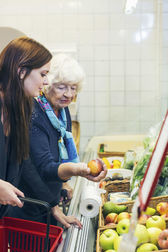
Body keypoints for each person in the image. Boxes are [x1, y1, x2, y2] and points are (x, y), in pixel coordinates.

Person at [0, 36, 52, 245]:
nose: (46, 81)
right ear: (21, 70)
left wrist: (53, 206)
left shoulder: (19, 109)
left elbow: (22, 162)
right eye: (43, 74)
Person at [9, 53, 107, 228]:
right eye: (62, 87)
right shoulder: (34, 114)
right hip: (29, 205)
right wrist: (76, 172)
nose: (68, 94)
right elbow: (40, 167)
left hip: (48, 199)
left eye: (73, 88)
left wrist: (63, 183)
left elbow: (58, 152)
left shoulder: (62, 112)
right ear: (47, 84)